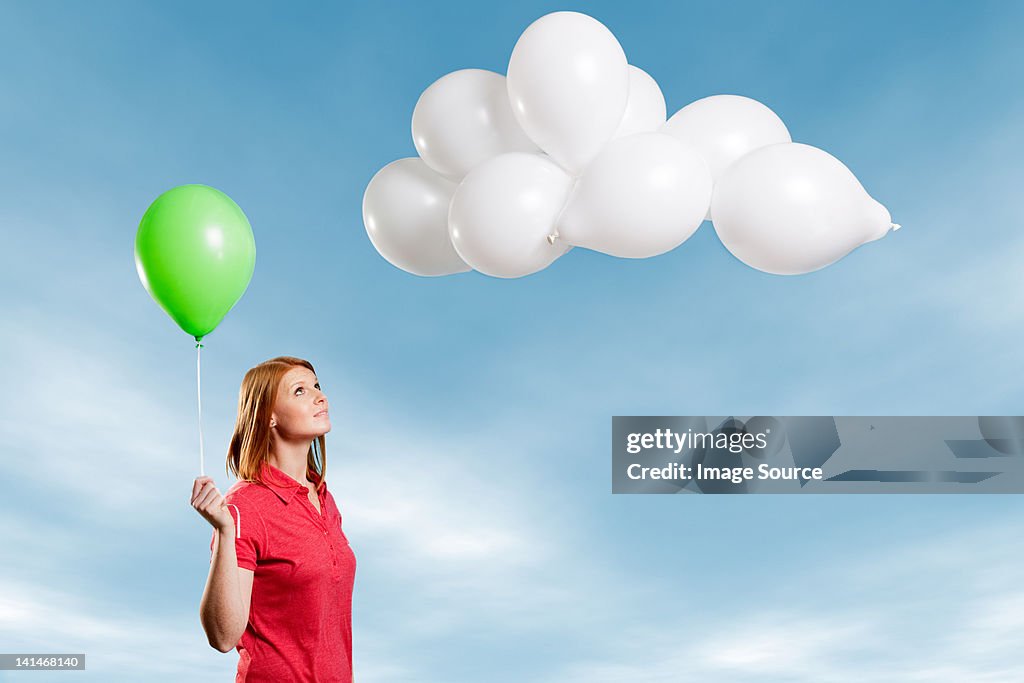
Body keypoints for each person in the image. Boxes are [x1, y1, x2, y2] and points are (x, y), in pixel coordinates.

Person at [191, 356, 357, 682]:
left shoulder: (322, 495)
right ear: (269, 417)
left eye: (317, 386)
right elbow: (223, 637)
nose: (320, 396)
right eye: (299, 391)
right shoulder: (243, 507)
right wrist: (226, 532)